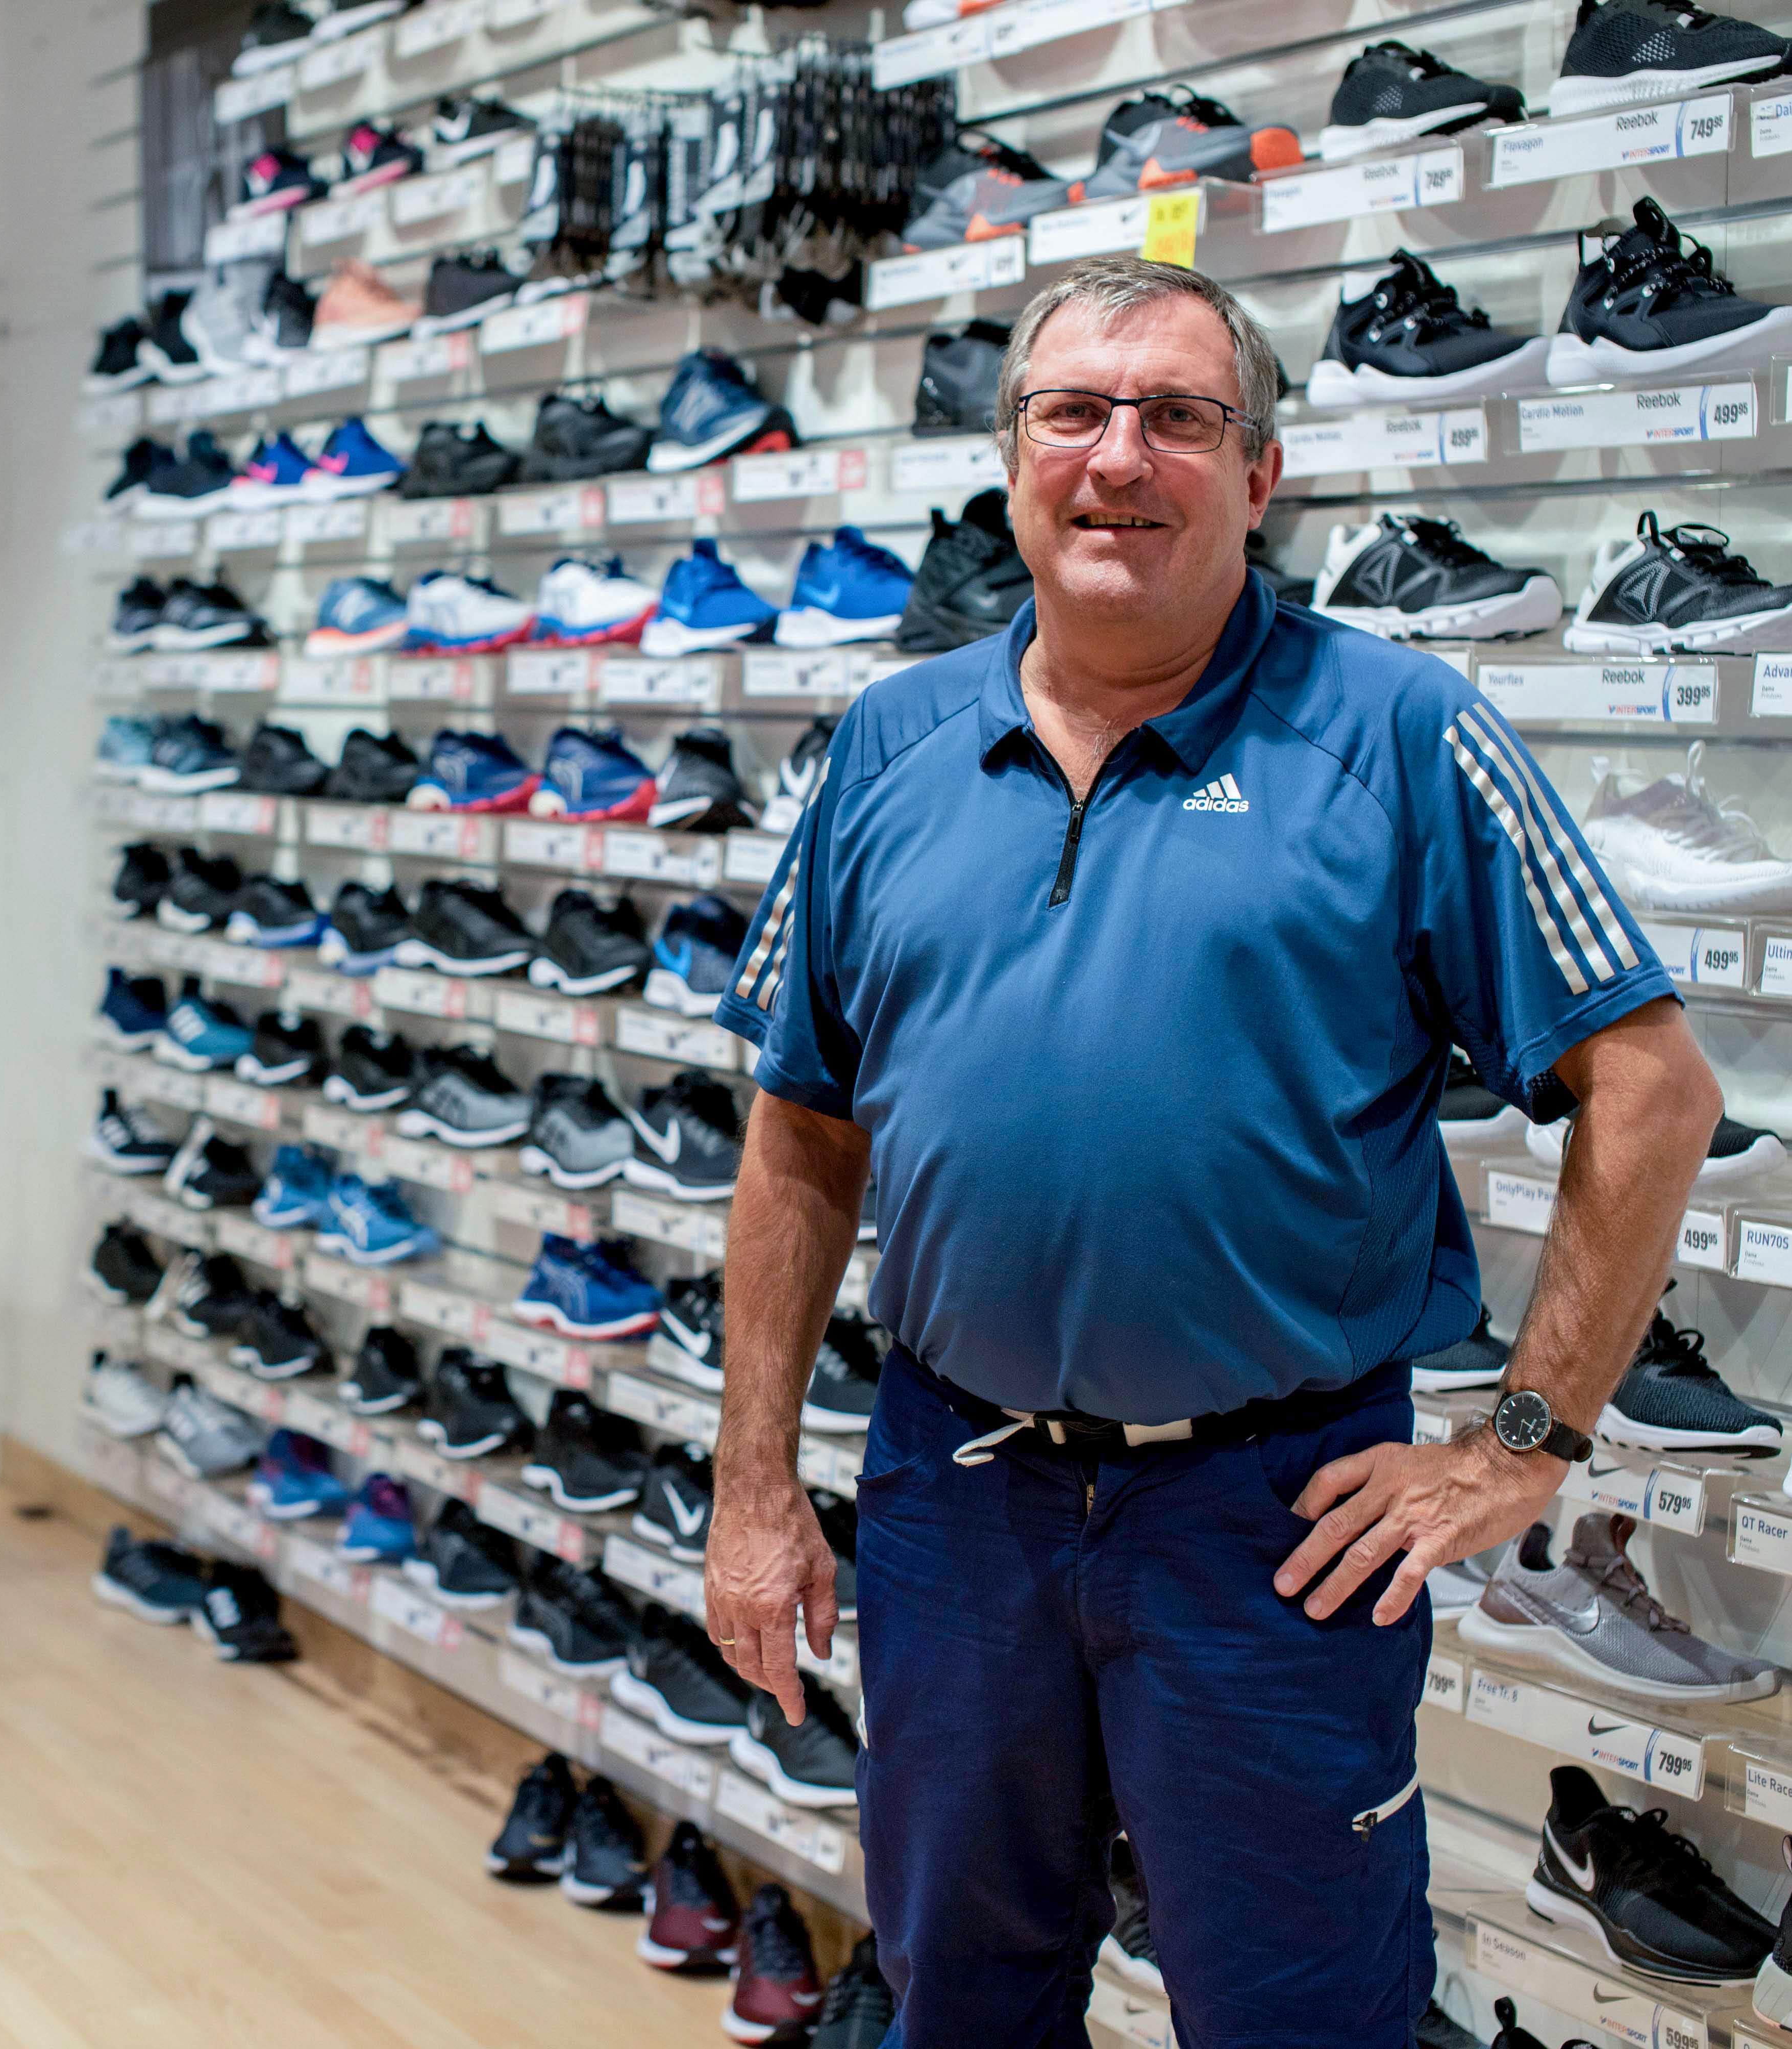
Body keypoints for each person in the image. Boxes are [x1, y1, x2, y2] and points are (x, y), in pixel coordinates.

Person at [702, 256, 1721, 2049]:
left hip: (1272, 1521)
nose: (1119, 457)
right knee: (958, 1997)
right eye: (1073, 413)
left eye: (1178, 416)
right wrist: (754, 1482)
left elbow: (1651, 1087)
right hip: (953, 1492)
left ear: (1258, 475)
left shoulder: (1401, 733)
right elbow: (799, 1130)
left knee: (1297, 2018)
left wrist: (1521, 1448)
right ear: (1010, 459)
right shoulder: (884, 748)